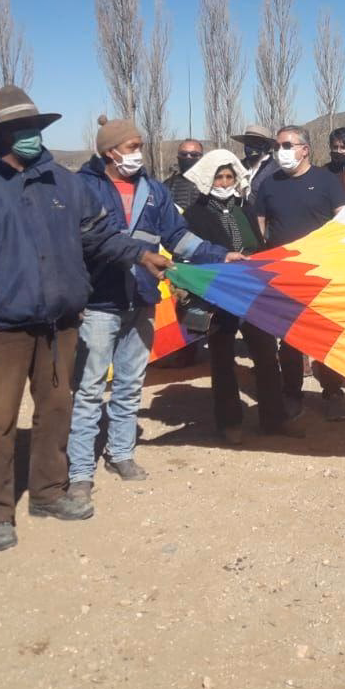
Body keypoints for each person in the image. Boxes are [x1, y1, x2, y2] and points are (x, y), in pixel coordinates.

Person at [0, 86, 172, 552]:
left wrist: (140, 255)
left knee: (56, 411)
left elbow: (99, 236)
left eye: (35, 128)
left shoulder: (64, 183)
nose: (29, 136)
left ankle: (46, 493)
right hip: (0, 325)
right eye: (18, 130)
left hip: (60, 323)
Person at [68, 117, 230, 496]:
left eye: (140, 146)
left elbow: (178, 237)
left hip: (141, 299)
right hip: (99, 301)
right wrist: (138, 255)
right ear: (110, 151)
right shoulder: (83, 188)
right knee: (90, 388)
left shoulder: (154, 191)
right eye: (132, 147)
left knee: (129, 384)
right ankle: (79, 470)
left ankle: (121, 452)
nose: (138, 154)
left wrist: (220, 256)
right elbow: (88, 240)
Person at [182, 149, 293, 442]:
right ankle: (229, 423)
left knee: (266, 355)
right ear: (208, 179)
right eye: (218, 177)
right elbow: (192, 253)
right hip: (217, 293)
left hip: (253, 290)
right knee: (222, 359)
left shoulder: (245, 207)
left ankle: (274, 419)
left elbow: (258, 242)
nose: (224, 182)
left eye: (229, 176)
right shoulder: (194, 215)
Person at [254, 125, 345, 425]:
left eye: (287, 145)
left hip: (323, 270)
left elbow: (344, 219)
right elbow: (260, 221)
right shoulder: (270, 184)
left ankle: (333, 392)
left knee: (326, 334)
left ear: (304, 149)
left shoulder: (326, 180)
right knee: (290, 338)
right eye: (278, 146)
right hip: (285, 273)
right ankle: (292, 393)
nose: (280, 151)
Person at [233, 124, 276, 202]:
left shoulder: (275, 170)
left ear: (266, 146)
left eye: (255, 142)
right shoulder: (238, 167)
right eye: (247, 142)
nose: (249, 146)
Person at [163, 139, 205, 211]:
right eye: (183, 154)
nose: (188, 157)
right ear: (178, 157)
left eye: (194, 155)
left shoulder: (213, 183)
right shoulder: (167, 185)